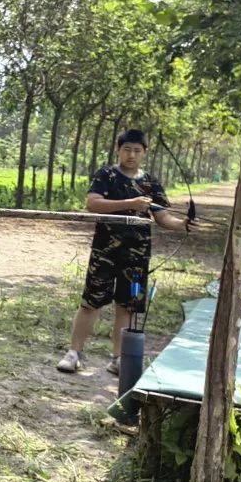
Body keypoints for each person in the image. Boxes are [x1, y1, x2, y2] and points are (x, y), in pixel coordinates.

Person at [56, 129, 191, 375]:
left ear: (145, 152)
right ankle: (74, 353)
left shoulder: (151, 183)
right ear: (118, 150)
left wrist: (183, 224)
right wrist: (130, 203)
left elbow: (163, 217)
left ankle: (118, 358)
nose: (131, 155)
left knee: (128, 305)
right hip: (105, 252)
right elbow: (93, 203)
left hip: (137, 256)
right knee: (91, 301)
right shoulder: (106, 175)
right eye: (127, 149)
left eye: (137, 150)